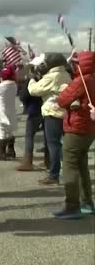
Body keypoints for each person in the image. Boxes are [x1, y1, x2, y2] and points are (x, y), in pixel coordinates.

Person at [55, 51, 95, 218]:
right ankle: (87, 202)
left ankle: (72, 205)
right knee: (82, 166)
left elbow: (62, 100)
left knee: (70, 166)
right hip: (89, 129)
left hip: (76, 128)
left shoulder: (81, 81)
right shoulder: (92, 79)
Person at [28, 53, 71, 185]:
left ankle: (54, 175)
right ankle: (68, 173)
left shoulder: (53, 76)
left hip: (53, 113)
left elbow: (34, 90)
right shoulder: (66, 74)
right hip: (64, 113)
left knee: (53, 145)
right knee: (63, 145)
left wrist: (32, 80)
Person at [17, 62, 45, 171]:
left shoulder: (30, 81)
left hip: (34, 111)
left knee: (29, 136)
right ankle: (48, 161)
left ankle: (28, 162)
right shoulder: (44, 79)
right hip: (43, 109)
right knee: (46, 137)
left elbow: (23, 96)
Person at [0, 65, 18, 160]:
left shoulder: (2, 86)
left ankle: (2, 153)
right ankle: (11, 150)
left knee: (2, 131)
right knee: (9, 131)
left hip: (1, 111)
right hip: (11, 111)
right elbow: (1, 87)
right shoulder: (13, 85)